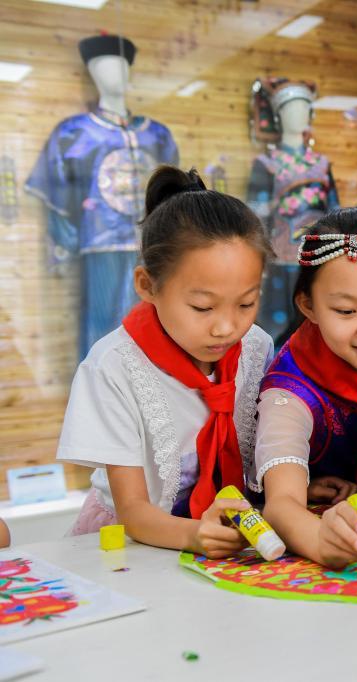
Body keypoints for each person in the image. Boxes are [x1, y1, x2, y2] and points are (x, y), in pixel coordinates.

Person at [57, 166, 274, 558]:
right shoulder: (114, 368)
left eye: (246, 303)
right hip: (136, 543)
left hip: (225, 536)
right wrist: (195, 535)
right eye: (202, 307)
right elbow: (134, 512)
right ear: (148, 285)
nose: (226, 327)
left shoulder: (256, 347)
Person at [255, 207, 357, 568]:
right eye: (346, 311)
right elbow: (281, 503)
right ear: (308, 305)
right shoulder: (289, 389)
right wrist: (319, 539)